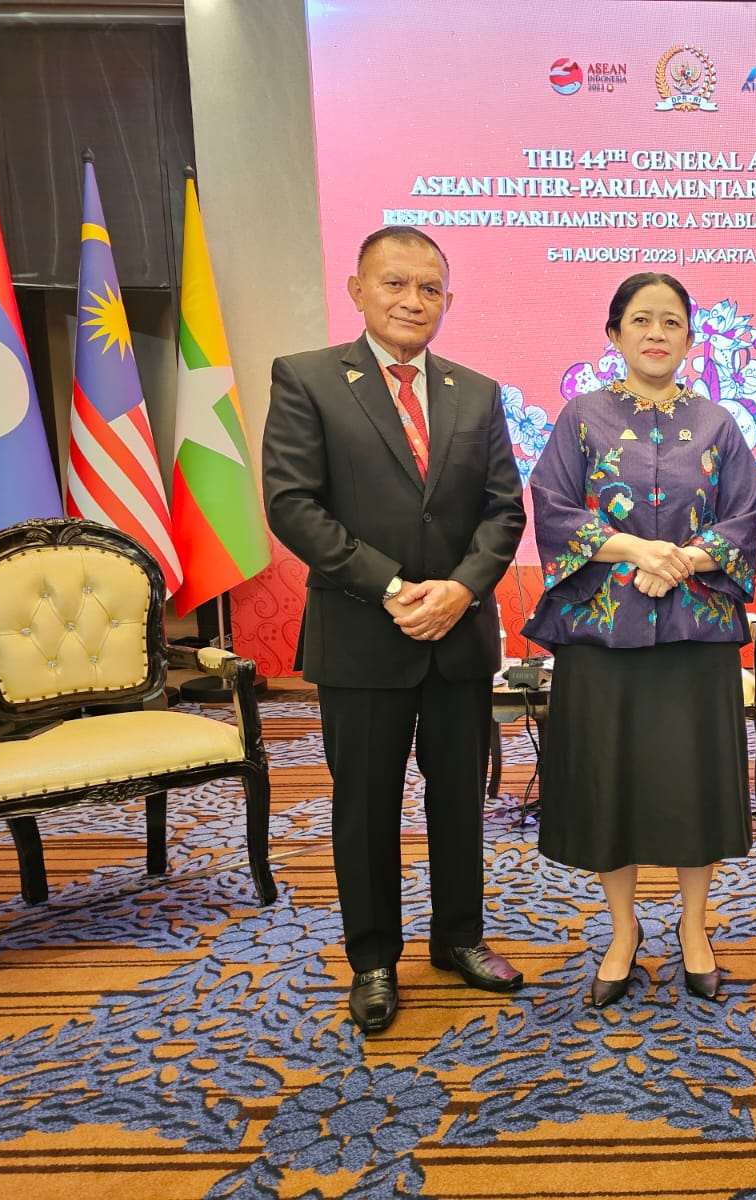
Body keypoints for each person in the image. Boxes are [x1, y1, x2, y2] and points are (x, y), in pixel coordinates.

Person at [263, 226, 528, 1034]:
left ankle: (459, 938)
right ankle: (374, 959)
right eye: (395, 283)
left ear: (447, 299)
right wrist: (389, 586)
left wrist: (461, 588)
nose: (414, 301)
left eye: (430, 288)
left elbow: (503, 510)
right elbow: (293, 504)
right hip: (361, 637)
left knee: (459, 802)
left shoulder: (476, 392)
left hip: (458, 635)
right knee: (366, 809)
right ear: (357, 290)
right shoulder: (308, 378)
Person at [522, 271, 756, 1007]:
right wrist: (637, 551)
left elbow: (746, 514)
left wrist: (683, 561)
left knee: (694, 786)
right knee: (612, 786)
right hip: (604, 636)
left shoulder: (719, 423)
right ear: (614, 333)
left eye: (671, 322)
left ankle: (694, 927)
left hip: (695, 636)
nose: (657, 333)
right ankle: (623, 928)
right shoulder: (581, 417)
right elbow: (552, 507)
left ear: (690, 338)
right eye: (641, 320)